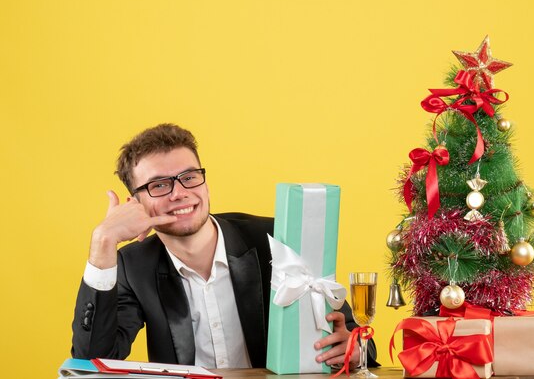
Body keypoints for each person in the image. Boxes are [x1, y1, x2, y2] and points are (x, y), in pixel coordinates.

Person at [71, 123, 377, 370]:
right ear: (134, 204)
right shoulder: (131, 266)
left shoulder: (276, 240)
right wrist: (103, 243)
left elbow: (360, 341)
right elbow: (92, 360)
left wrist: (354, 349)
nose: (180, 193)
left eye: (189, 177)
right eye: (159, 185)